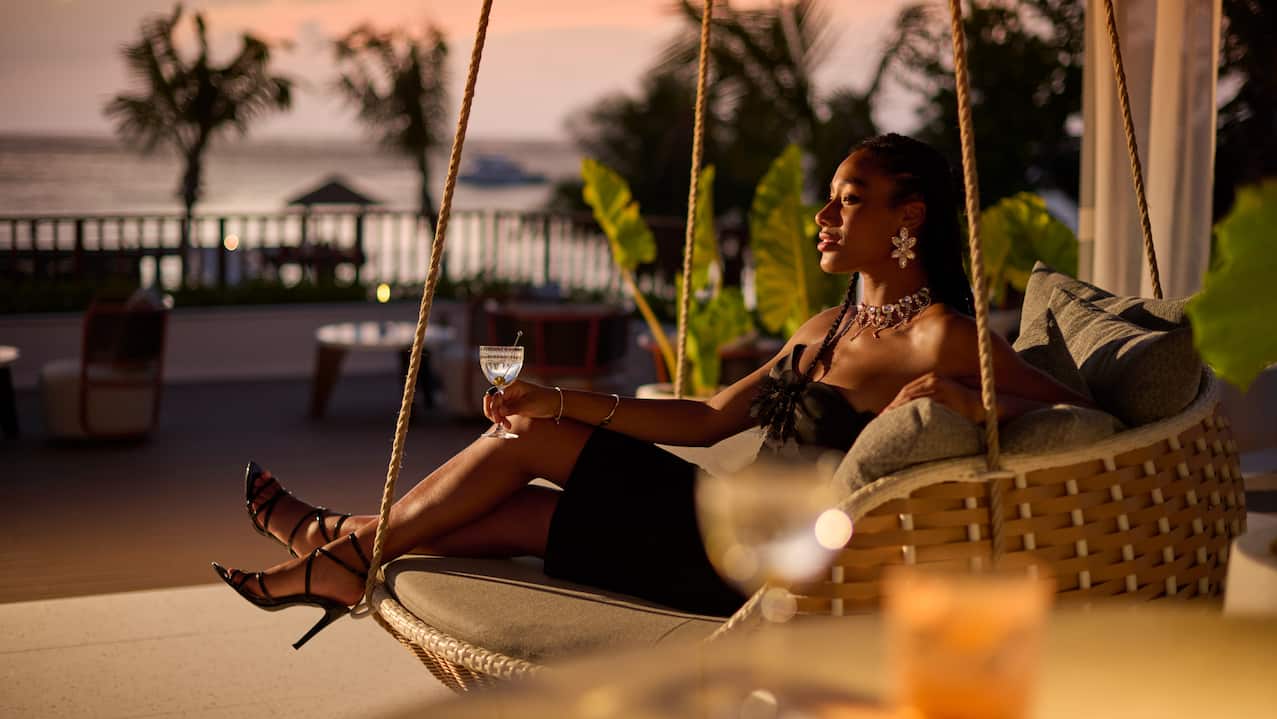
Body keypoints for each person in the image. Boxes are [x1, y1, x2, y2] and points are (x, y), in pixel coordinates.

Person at [214, 133, 1092, 649]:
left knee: (520, 450)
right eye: (827, 198)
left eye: (848, 199)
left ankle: (331, 549)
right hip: (712, 519)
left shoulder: (942, 335)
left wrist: (966, 395)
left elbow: (1080, 415)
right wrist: (560, 399)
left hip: (755, 563)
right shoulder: (821, 327)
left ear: (908, 218)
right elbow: (707, 419)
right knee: (510, 515)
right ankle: (343, 545)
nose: (823, 216)